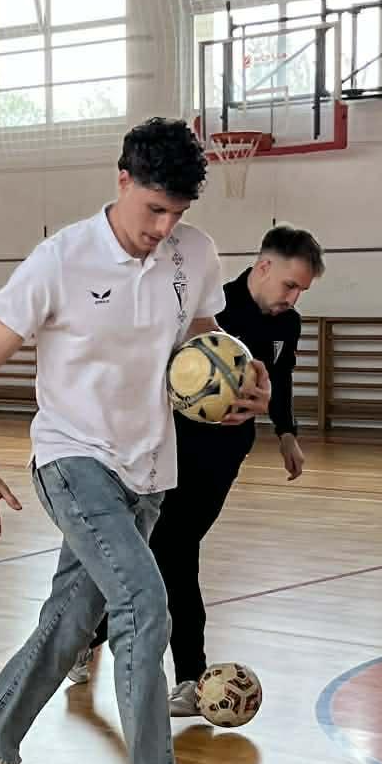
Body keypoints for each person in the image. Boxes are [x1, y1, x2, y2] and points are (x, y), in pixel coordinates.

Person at [0, 118, 269, 764]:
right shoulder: (60, 260)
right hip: (71, 459)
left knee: (70, 623)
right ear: (122, 180)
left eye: (177, 214)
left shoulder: (194, 252)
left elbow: (202, 342)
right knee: (143, 603)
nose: (163, 229)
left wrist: (242, 381)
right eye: (153, 209)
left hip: (148, 470)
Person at [68, 225, 324, 716]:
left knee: (172, 551)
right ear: (263, 267)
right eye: (290, 285)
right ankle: (183, 673)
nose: (293, 298)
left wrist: (287, 434)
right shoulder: (210, 308)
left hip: (225, 456)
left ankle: (95, 641)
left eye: (302, 291)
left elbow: (280, 379)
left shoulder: (287, 325)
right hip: (172, 448)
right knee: (170, 552)